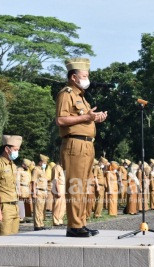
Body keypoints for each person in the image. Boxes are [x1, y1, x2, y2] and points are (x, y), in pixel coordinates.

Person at [55, 57, 107, 238]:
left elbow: (85, 118)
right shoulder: (66, 94)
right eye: (84, 75)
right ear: (74, 78)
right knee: (76, 186)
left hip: (86, 145)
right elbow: (61, 120)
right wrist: (86, 118)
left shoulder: (81, 98)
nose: (88, 79)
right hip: (74, 145)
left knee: (85, 187)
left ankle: (81, 223)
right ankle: (74, 226)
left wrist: (95, 117)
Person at [0, 135, 22, 236]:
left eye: (18, 150)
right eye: (15, 150)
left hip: (15, 206)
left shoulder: (13, 165)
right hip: (4, 207)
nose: (17, 152)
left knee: (14, 241)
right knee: (4, 241)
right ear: (7, 149)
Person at [32, 154, 49, 231]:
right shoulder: (36, 170)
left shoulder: (42, 170)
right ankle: (37, 225)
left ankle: (41, 224)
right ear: (40, 162)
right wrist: (34, 193)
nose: (45, 164)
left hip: (43, 191)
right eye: (44, 162)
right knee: (38, 209)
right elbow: (34, 182)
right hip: (38, 191)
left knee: (42, 209)